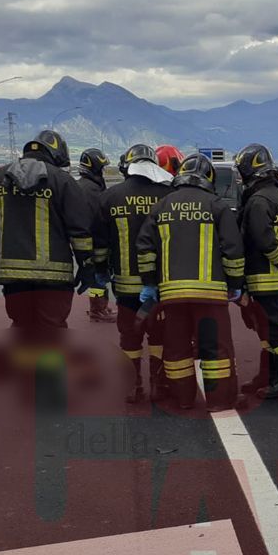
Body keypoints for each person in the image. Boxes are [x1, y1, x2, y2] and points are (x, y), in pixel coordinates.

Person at [136, 154, 244, 411]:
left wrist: (150, 284)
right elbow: (233, 250)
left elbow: (144, 249)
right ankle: (220, 400)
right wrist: (235, 283)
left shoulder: (162, 206)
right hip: (211, 295)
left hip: (172, 295)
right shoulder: (217, 206)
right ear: (209, 178)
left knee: (176, 348)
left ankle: (183, 398)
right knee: (216, 348)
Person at [0, 130, 93, 334]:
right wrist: (86, 265)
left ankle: (22, 366)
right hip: (55, 277)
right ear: (57, 153)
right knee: (53, 333)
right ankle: (49, 367)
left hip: (12, 276)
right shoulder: (63, 182)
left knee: (21, 329)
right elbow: (80, 231)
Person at [94, 143, 174, 403]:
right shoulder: (168, 194)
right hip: (163, 285)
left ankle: (132, 386)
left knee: (129, 336)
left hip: (125, 285)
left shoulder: (109, 197)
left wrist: (100, 272)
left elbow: (100, 243)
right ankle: (160, 386)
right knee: (160, 336)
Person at [235, 143, 278, 400]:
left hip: (263, 276)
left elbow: (263, 240)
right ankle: (268, 376)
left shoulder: (259, 201)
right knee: (266, 329)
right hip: (274, 276)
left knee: (274, 330)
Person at [75, 148, 117, 323]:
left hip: (84, 241)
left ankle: (99, 306)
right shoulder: (91, 190)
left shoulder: (83, 186)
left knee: (96, 277)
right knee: (98, 277)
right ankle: (97, 309)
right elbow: (98, 219)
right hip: (95, 241)